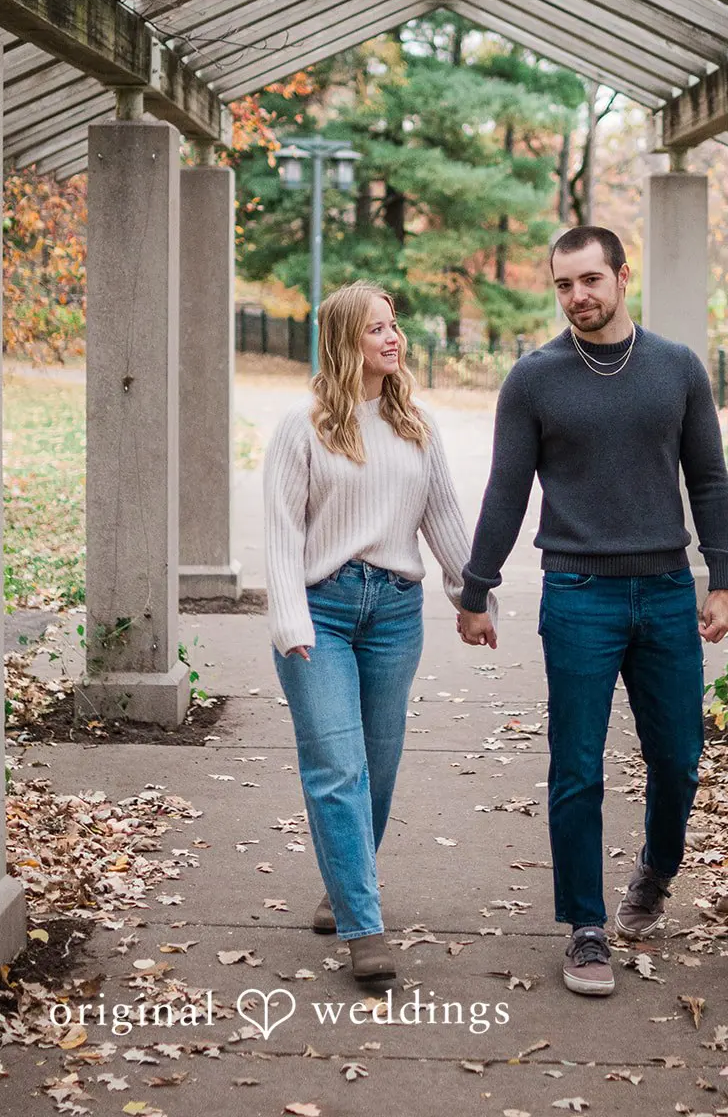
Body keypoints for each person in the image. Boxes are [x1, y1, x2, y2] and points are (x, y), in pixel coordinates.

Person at [456, 226, 728, 997]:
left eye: (589, 280)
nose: (577, 296)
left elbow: (708, 481)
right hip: (578, 593)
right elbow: (505, 491)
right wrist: (474, 589)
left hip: (667, 590)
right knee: (577, 767)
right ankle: (583, 926)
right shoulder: (534, 378)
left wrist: (723, 576)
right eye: (562, 285)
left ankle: (655, 870)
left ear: (620, 276)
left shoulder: (676, 368)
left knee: (678, 755)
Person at [263, 281, 488, 986]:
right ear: (343, 342)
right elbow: (280, 532)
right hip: (321, 612)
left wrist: (469, 596)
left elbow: (444, 517)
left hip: (393, 614)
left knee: (379, 772)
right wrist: (290, 621)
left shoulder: (415, 424)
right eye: (375, 330)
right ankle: (364, 927)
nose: (392, 339)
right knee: (338, 768)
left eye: (394, 327)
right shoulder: (302, 428)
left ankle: (341, 883)